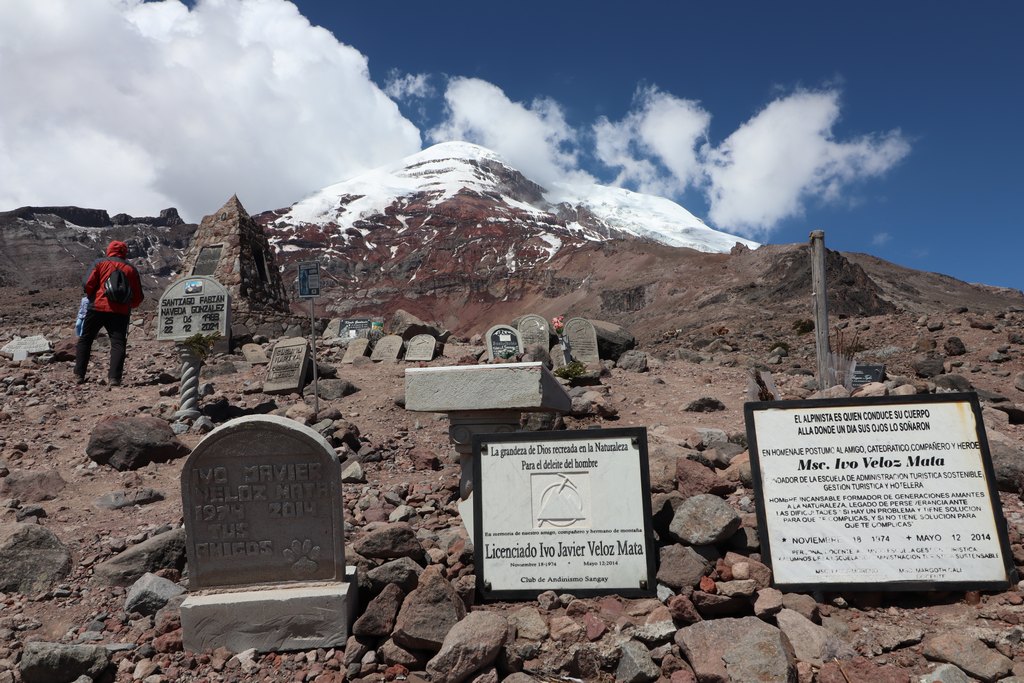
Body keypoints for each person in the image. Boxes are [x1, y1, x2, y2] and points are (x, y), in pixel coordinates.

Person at [74, 240, 144, 386]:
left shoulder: (100, 263)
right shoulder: (131, 269)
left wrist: (92, 295)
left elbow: (88, 284)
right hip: (120, 311)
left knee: (86, 339)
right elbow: (138, 296)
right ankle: (114, 378)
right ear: (125, 252)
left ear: (109, 250)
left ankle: (79, 375)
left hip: (97, 307)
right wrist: (129, 304)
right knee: (118, 343)